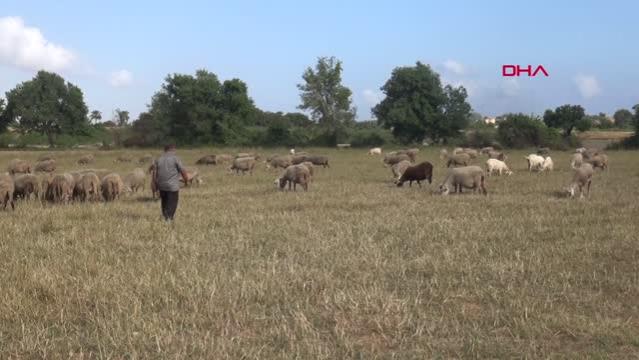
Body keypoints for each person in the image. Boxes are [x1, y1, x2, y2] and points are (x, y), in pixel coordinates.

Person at [153, 144, 189, 221]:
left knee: (164, 202)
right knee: (172, 203)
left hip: (161, 186)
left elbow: (154, 174)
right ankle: (168, 219)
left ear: (164, 150)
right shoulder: (175, 159)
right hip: (172, 186)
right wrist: (186, 180)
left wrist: (155, 185)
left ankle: (165, 216)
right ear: (173, 149)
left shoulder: (158, 159)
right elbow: (183, 171)